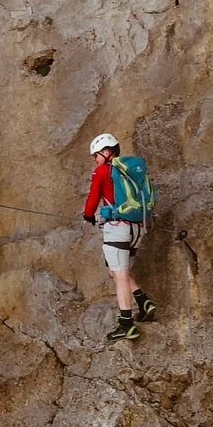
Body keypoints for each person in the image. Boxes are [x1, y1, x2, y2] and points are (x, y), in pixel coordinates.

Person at [83, 133, 157, 341]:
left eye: (96, 155)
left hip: (118, 227)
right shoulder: (129, 172)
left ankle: (126, 324)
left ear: (106, 152)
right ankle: (143, 302)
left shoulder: (103, 171)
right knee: (114, 271)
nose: (95, 159)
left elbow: (92, 200)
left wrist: (88, 215)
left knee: (120, 274)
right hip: (137, 227)